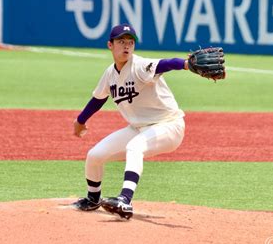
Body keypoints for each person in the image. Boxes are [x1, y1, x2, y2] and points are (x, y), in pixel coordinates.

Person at [72, 23, 188, 219]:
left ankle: (125, 200)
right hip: (138, 128)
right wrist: (80, 120)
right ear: (110, 45)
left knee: (134, 147)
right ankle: (93, 199)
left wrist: (185, 64)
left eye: (130, 42)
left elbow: (166, 63)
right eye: (121, 41)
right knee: (94, 155)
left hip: (169, 126)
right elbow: (98, 99)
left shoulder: (140, 65)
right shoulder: (110, 73)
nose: (126, 46)